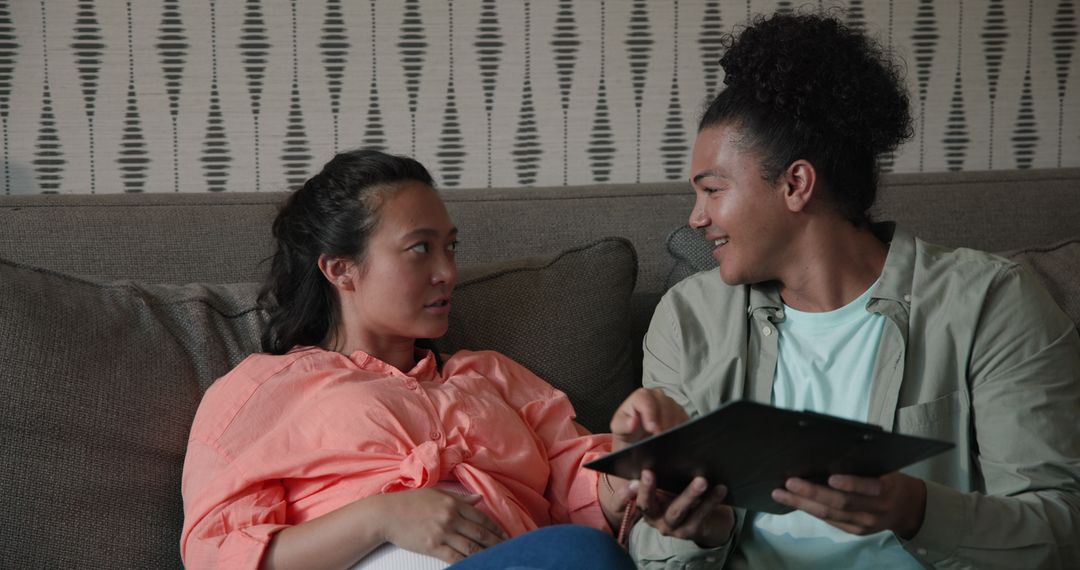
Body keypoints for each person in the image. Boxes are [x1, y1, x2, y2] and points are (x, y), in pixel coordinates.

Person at [624, 11, 1080, 569]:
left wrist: (916, 510)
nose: (696, 218)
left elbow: (1062, 529)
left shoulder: (990, 303)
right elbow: (651, 552)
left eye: (713, 190)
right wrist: (703, 530)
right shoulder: (687, 319)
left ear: (796, 184)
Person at [179, 150, 674, 569]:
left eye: (451, 247)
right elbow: (218, 552)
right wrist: (380, 517)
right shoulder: (261, 390)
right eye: (420, 249)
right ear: (340, 268)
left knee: (581, 551)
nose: (447, 272)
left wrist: (633, 463)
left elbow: (583, 495)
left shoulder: (492, 377)